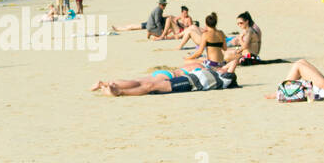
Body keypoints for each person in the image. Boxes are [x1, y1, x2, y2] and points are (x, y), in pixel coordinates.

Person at [90, 62, 239, 96]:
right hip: (179, 77)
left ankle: (112, 87)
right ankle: (114, 89)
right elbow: (229, 67)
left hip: (180, 78)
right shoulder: (206, 70)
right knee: (146, 85)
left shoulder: (221, 77)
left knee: (143, 83)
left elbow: (230, 69)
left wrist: (236, 59)